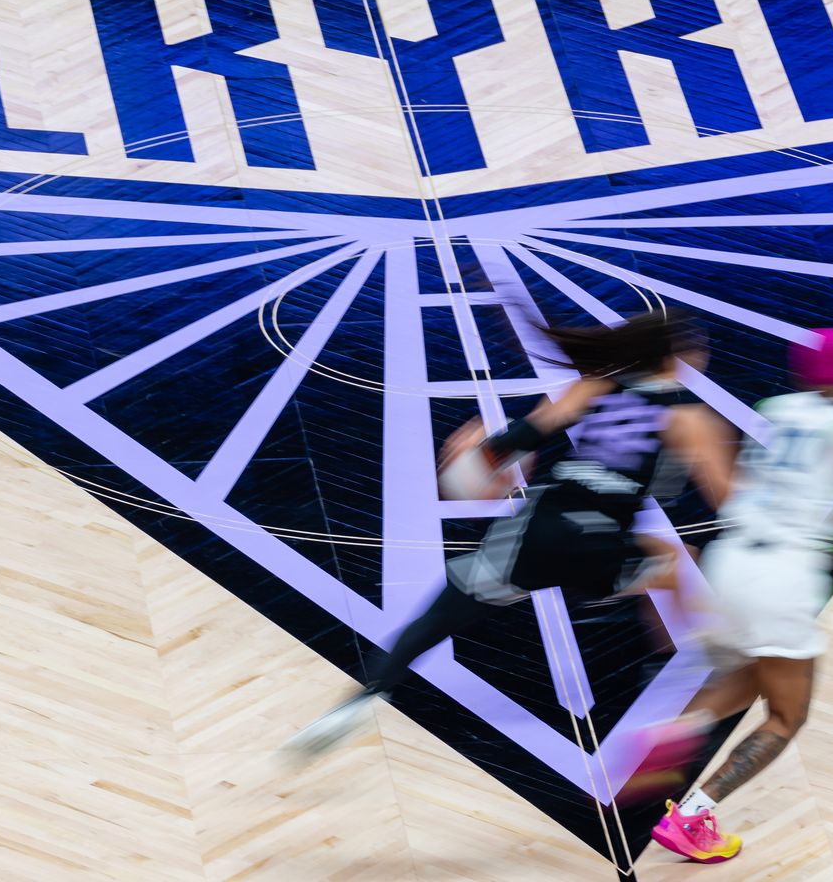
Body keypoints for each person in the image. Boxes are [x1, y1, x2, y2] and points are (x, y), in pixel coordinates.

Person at [283, 309, 737, 762]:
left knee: (436, 621)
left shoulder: (593, 387)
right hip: (600, 546)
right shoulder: (690, 419)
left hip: (537, 532)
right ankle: (685, 673)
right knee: (678, 558)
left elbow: (508, 447)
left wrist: (471, 463)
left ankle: (367, 694)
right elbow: (726, 499)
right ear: (679, 358)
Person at [644, 328, 833, 864]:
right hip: (784, 579)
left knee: (755, 670)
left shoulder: (773, 408)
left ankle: (680, 728)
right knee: (785, 716)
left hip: (732, 565)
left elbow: (779, 485)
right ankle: (690, 816)